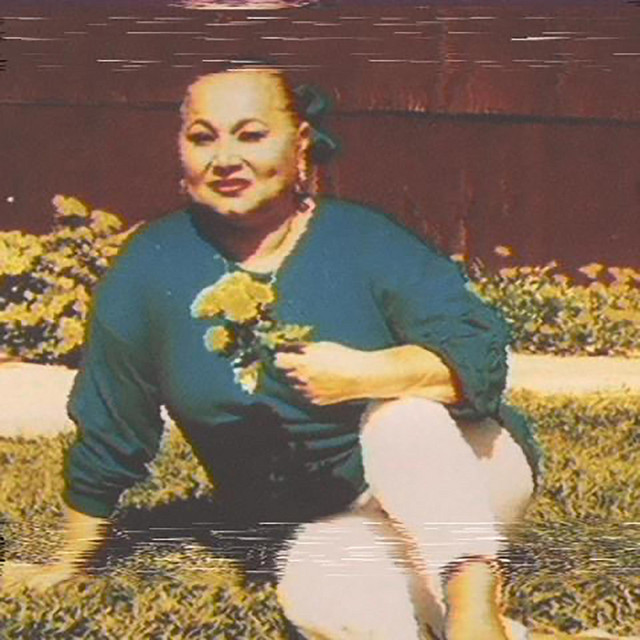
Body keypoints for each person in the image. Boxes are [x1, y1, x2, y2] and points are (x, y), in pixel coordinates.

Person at [1, 67, 541, 640]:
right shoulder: (151, 265)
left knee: (401, 419)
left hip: (461, 475)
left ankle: (474, 608)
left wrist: (368, 373)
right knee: (314, 593)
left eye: (251, 135)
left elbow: (479, 356)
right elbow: (112, 425)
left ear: (300, 144)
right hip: (342, 517)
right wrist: (69, 563)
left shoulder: (365, 240)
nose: (225, 159)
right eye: (203, 137)